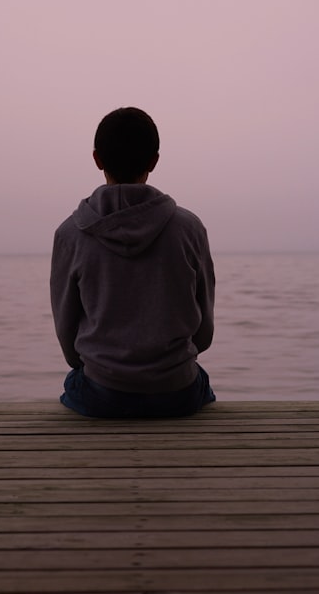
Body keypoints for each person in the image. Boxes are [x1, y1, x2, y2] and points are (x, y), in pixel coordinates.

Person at [50, 106, 216, 418]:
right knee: (198, 380)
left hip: (102, 393)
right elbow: (203, 332)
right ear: (154, 160)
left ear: (97, 159)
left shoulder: (70, 234)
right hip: (176, 392)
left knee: (75, 381)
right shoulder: (189, 228)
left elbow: (67, 332)